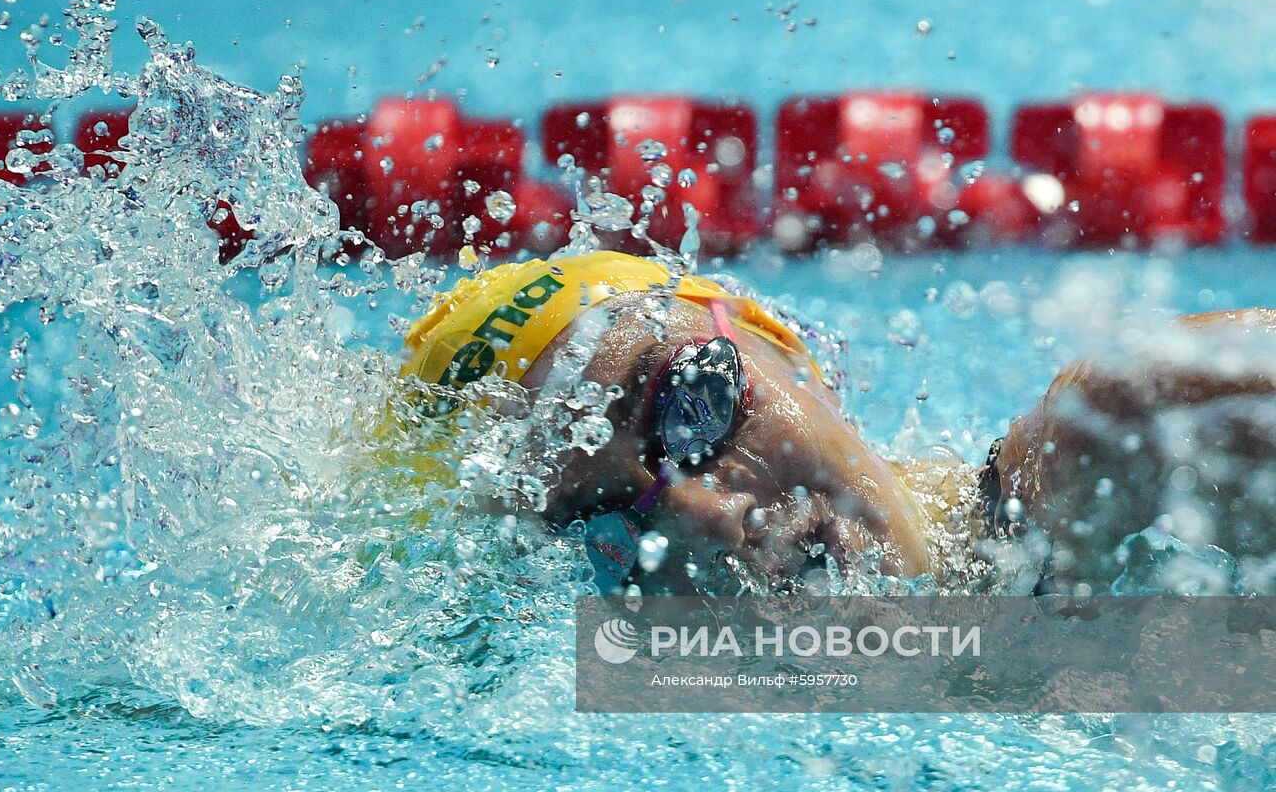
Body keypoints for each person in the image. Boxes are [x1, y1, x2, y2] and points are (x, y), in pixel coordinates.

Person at [401, 250, 1276, 595]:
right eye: (597, 523)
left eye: (693, 404)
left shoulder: (1123, 441)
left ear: (786, 349)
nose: (705, 514)